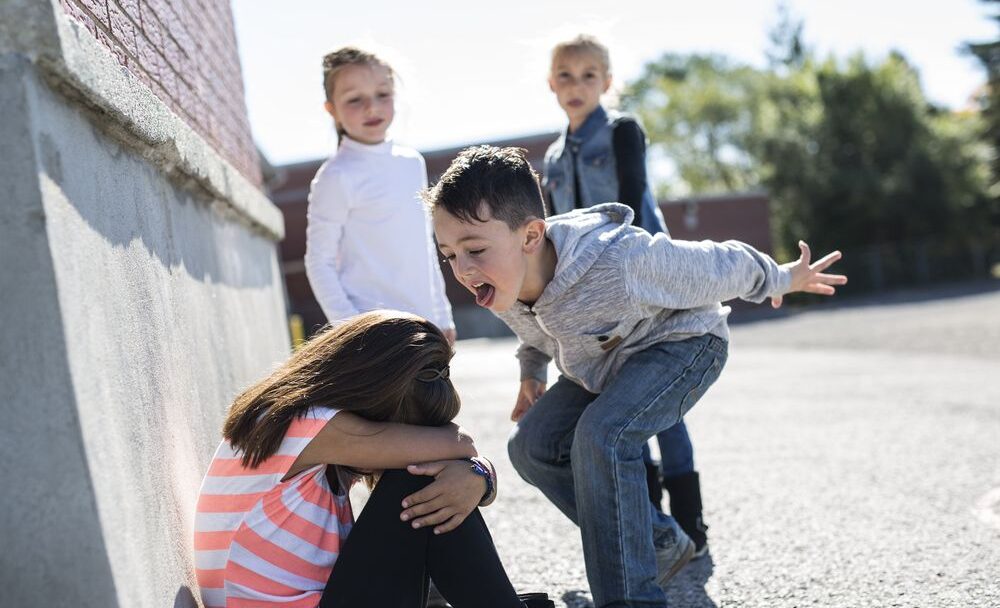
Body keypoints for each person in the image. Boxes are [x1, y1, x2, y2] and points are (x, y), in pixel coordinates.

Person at [426, 146, 846, 607]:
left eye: (475, 249)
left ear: (530, 236)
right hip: (604, 366)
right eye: (448, 255)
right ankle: (658, 543)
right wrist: (532, 373)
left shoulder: (618, 261)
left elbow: (718, 264)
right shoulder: (503, 279)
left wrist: (783, 278)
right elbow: (536, 331)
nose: (462, 270)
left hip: (683, 345)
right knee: (529, 446)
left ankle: (633, 598)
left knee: (601, 435)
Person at [193, 311, 552, 608]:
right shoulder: (305, 424)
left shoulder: (306, 429)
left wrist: (477, 477)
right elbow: (459, 444)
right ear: (374, 393)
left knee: (432, 492)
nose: (408, 441)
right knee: (420, 479)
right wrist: (478, 472)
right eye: (405, 429)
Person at [541, 34, 707, 555]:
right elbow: (552, 231)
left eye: (589, 75)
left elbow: (632, 203)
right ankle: (655, 528)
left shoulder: (622, 132)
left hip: (644, 284)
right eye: (566, 75)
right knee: (618, 404)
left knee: (662, 407)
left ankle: (691, 523)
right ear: (551, 84)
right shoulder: (551, 156)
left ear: (607, 83)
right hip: (589, 300)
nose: (577, 85)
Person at [305, 47, 455, 343]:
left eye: (382, 94)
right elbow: (318, 262)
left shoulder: (412, 163)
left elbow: (424, 247)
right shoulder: (336, 177)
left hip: (425, 326)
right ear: (332, 109)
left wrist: (442, 315)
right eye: (354, 99)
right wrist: (351, 329)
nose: (371, 108)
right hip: (374, 335)